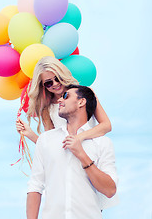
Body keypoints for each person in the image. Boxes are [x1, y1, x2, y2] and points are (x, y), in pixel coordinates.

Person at [26, 85, 118, 219]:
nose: (59, 100)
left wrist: (82, 155)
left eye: (65, 96)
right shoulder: (46, 140)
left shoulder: (102, 143)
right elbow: (35, 186)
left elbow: (110, 190)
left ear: (81, 102)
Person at [16, 56, 112, 144]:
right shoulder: (47, 109)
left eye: (57, 78)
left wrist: (79, 138)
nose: (55, 84)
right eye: (48, 83)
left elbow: (106, 125)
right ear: (43, 86)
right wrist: (30, 134)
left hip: (91, 153)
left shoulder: (84, 93)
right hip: (66, 159)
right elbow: (50, 145)